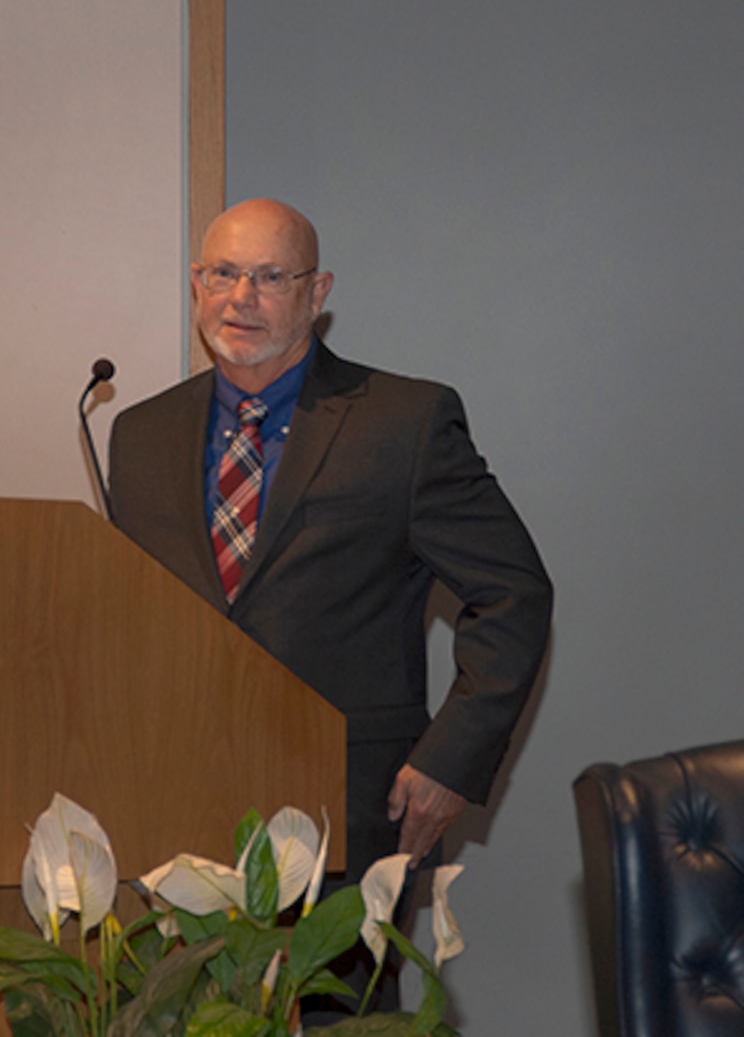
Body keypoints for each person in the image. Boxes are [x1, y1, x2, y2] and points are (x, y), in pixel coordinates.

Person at [108, 198, 552, 884]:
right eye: (223, 274)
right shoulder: (140, 436)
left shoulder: (404, 423)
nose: (242, 298)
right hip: (174, 806)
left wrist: (449, 761)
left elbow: (513, 594)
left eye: (271, 277)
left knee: (337, 1000)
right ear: (196, 284)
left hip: (347, 814)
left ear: (317, 293)